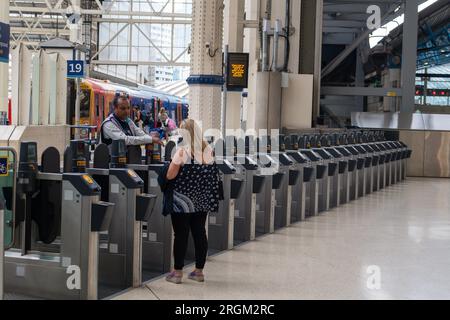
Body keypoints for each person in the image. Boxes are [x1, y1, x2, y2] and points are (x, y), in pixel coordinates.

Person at [158, 119, 221, 284]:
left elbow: (170, 175)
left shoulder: (182, 152)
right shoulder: (209, 152)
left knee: (181, 234)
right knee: (200, 233)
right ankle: (198, 271)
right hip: (201, 200)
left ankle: (177, 273)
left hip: (182, 201)